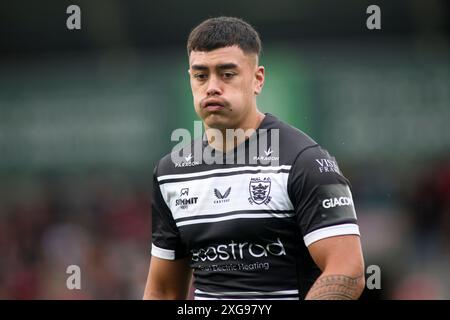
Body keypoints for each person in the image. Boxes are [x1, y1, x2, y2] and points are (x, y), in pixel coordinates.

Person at [143, 16, 365, 300]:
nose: (212, 86)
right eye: (201, 75)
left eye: (227, 74)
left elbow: (347, 271)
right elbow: (163, 290)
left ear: (257, 79)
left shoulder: (303, 161)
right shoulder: (170, 172)